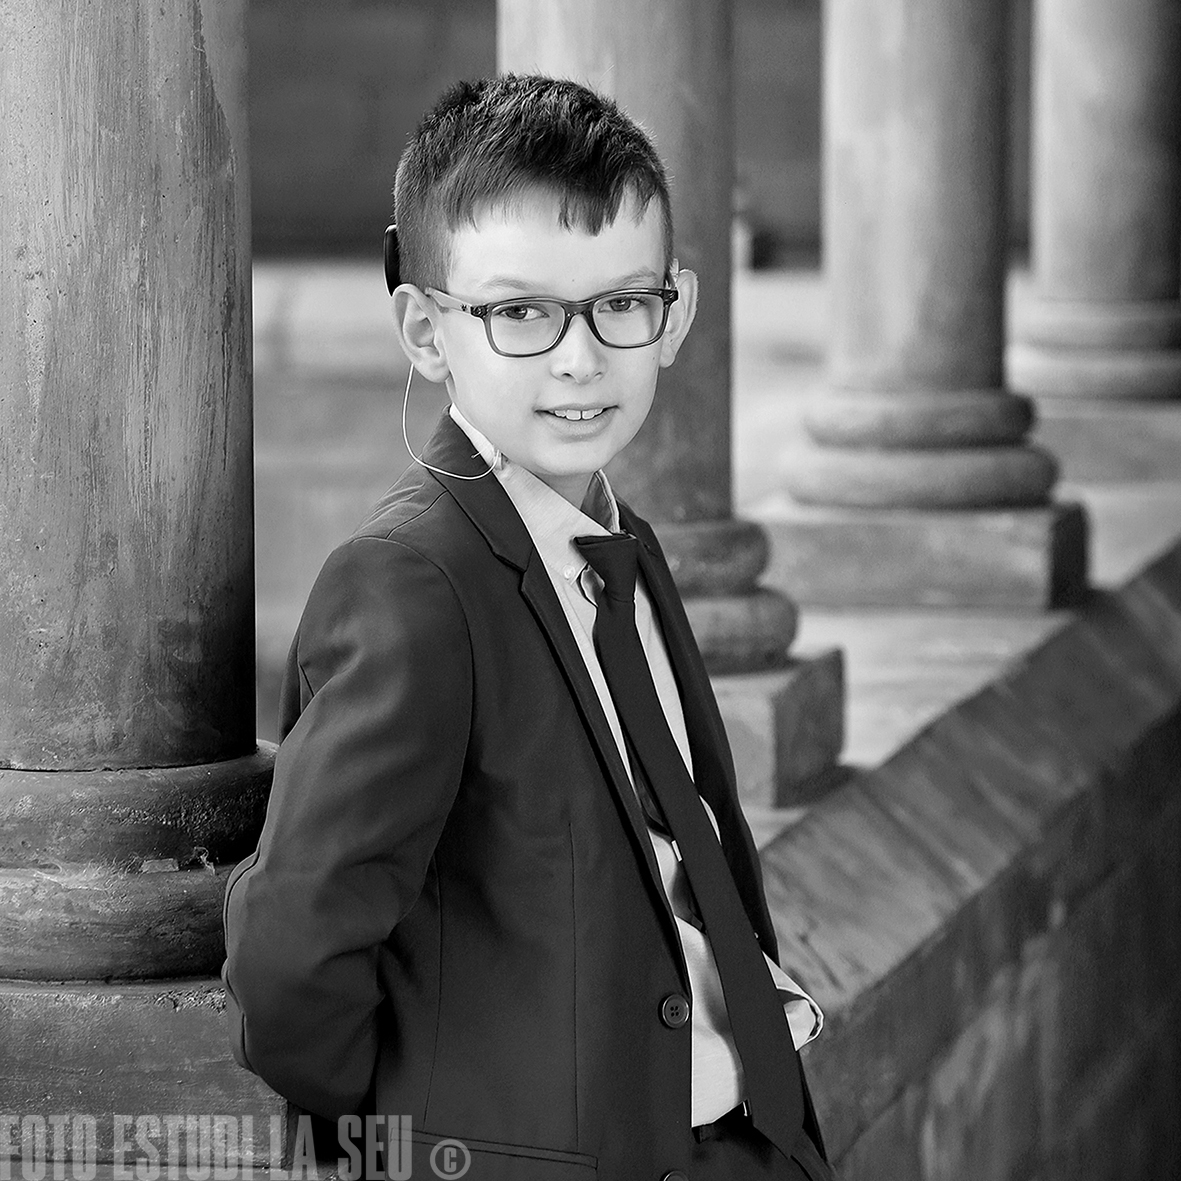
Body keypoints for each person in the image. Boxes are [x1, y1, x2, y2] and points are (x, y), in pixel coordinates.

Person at [223, 74, 833, 1181]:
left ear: (676, 313)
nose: (579, 357)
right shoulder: (409, 583)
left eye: (622, 303)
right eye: (519, 312)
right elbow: (291, 963)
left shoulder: (619, 541)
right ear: (425, 330)